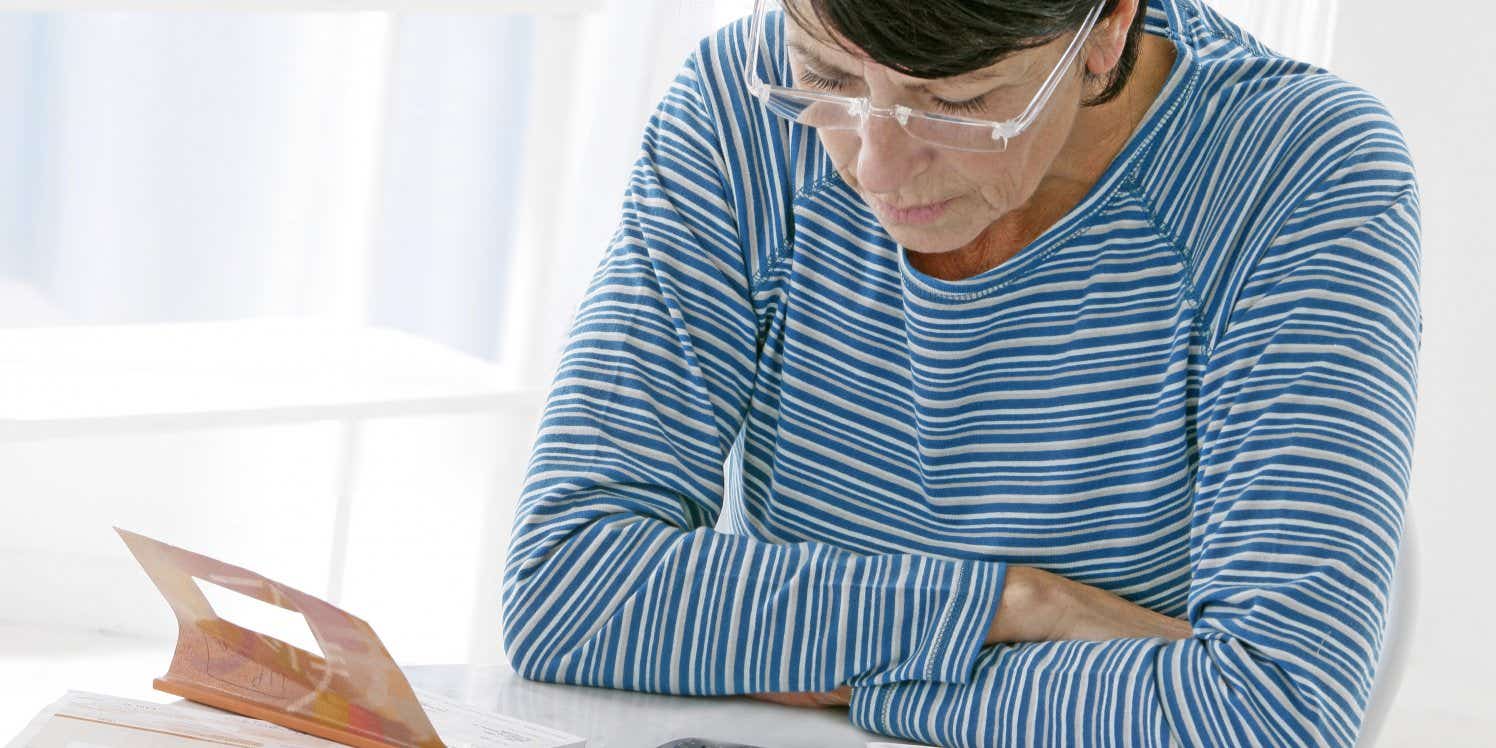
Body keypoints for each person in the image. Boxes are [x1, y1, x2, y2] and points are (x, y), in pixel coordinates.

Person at [501, 0, 1420, 745]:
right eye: (828, 80)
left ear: (1105, 30)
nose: (875, 166)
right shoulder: (738, 108)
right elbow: (570, 587)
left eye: (958, 102)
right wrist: (1021, 603)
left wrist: (826, 666)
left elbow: (1274, 713)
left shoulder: (1300, 173)